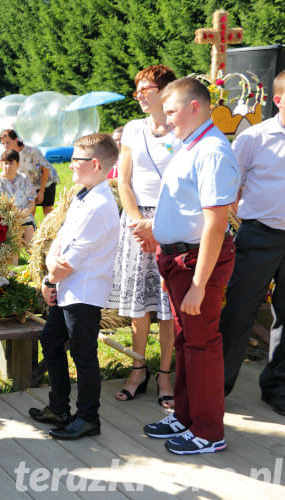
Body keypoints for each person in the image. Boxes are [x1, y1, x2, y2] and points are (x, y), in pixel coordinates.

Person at [142, 78, 239, 455]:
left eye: (171, 111)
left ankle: (209, 432)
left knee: (201, 345)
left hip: (199, 261)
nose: (165, 121)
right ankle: (185, 415)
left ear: (195, 107)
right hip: (178, 259)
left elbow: (216, 222)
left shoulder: (212, 151)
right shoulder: (190, 144)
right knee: (187, 342)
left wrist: (200, 283)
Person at [29, 133, 120, 440]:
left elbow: (71, 259)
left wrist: (51, 278)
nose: (70, 166)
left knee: (83, 355)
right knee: (51, 342)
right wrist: (49, 275)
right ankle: (59, 407)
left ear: (94, 164)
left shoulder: (99, 205)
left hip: (83, 291)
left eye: (75, 161)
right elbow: (61, 239)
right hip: (66, 287)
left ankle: (87, 417)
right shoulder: (85, 195)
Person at [106, 65, 181, 408]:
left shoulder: (181, 129)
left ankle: (165, 374)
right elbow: (123, 180)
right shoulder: (134, 130)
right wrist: (138, 223)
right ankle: (138, 370)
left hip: (171, 221)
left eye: (146, 88)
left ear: (165, 92)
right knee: (140, 304)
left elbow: (183, 184)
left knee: (167, 306)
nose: (138, 94)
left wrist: (158, 226)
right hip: (136, 222)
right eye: (136, 88)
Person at [219, 70, 285, 416]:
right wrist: (246, 218)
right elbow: (228, 186)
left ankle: (277, 388)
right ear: (278, 100)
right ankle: (219, 387)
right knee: (240, 311)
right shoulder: (254, 138)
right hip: (259, 235)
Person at [0, 128, 59, 216]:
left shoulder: (32, 152)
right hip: (30, 185)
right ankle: (33, 229)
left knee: (48, 213)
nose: (5, 146)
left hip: (46, 182)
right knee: (30, 211)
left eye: (8, 142)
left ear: (16, 140)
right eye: (3, 143)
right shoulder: (9, 155)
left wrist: (41, 192)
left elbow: (46, 169)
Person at [0, 149, 36, 245]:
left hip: (24, 217)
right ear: (1, 164)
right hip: (4, 219)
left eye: (11, 163)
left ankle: (34, 256)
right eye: (5, 163)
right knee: (12, 247)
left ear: (18, 164)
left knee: (29, 236)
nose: (8, 166)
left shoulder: (25, 179)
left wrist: (23, 213)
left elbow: (31, 201)